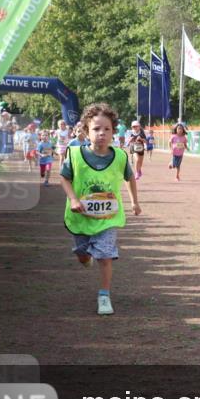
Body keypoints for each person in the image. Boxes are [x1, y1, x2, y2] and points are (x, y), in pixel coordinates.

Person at [60, 103, 141, 315]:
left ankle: (104, 296)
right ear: (86, 131)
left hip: (108, 217)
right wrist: (74, 199)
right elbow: (64, 178)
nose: (102, 134)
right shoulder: (75, 154)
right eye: (96, 129)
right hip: (81, 217)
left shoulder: (121, 157)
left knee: (105, 256)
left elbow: (130, 178)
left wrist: (134, 202)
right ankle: (84, 257)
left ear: (114, 131)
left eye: (107, 129)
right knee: (82, 253)